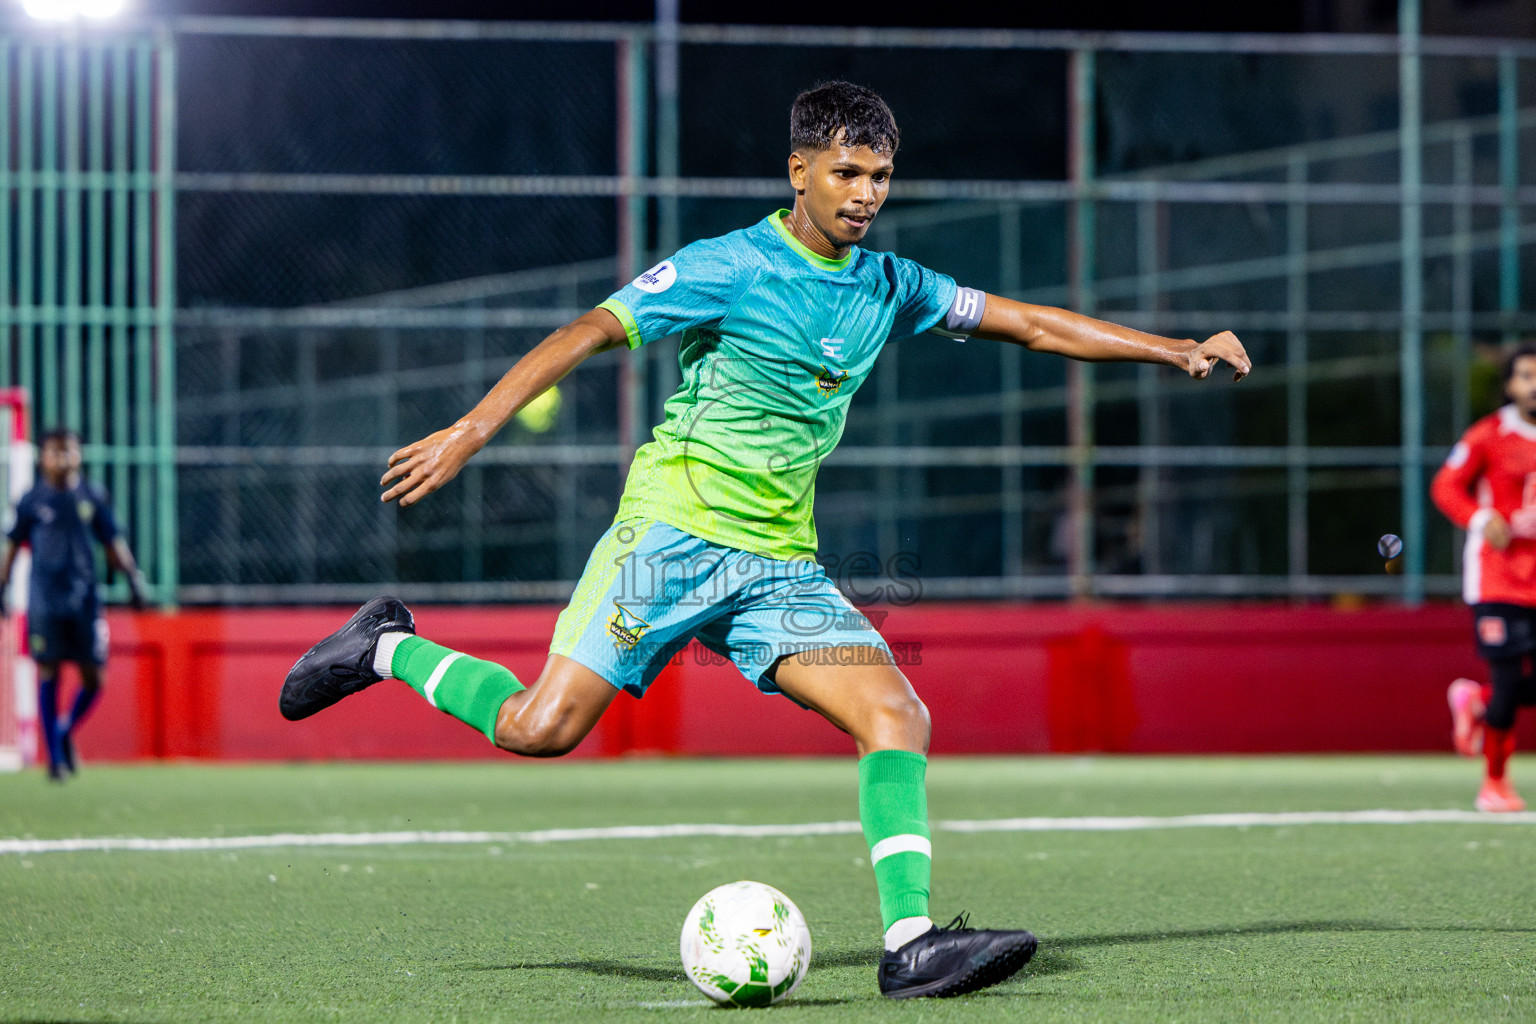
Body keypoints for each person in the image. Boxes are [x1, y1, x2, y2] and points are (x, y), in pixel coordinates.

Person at [281, 81, 1250, 998]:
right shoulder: (728, 266)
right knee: (540, 729)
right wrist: (470, 430)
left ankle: (911, 945)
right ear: (800, 172)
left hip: (777, 569)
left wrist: (1173, 349)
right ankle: (384, 644)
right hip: (670, 538)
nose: (866, 194)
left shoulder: (893, 284)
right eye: (847, 173)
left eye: (879, 176)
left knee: (896, 714)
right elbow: (588, 329)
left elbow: (1031, 325)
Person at [0, 428, 147, 781]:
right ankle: (54, 760)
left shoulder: (92, 496)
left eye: (68, 452)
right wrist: (1, 587)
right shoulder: (31, 500)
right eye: (55, 452)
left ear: (78, 455)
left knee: (94, 678)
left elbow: (113, 541)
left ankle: (64, 732)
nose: (62, 459)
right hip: (44, 602)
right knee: (48, 670)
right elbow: (11, 546)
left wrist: (133, 580)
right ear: (42, 457)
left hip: (85, 601)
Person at [1432, 341, 1536, 813]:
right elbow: (1445, 486)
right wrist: (1479, 517)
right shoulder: (1489, 435)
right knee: (1510, 680)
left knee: (1508, 692)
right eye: (1527, 376)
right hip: (1497, 580)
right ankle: (1494, 783)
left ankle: (1476, 700)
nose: (1535, 386)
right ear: (1511, 385)